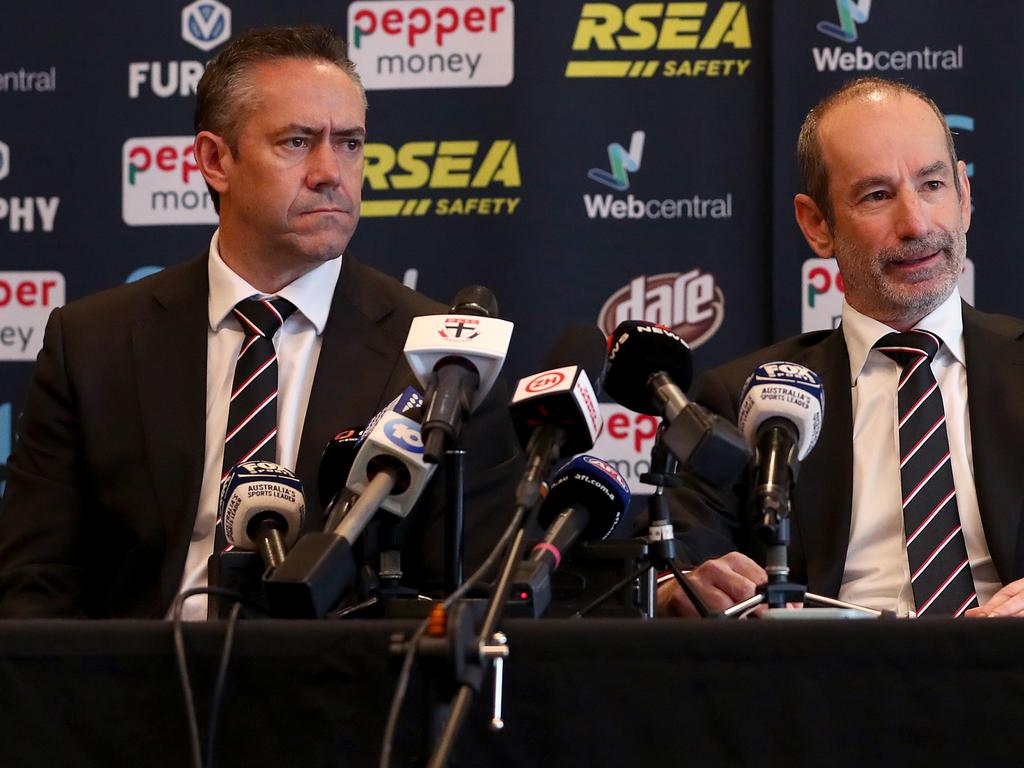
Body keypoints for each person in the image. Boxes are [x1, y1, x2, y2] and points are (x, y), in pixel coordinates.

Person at [0, 25, 520, 619]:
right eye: (297, 142)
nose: (331, 172)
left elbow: (474, 592)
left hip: (348, 691)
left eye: (349, 143)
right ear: (215, 160)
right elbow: (35, 583)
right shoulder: (94, 343)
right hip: (144, 687)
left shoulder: (443, 359)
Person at [660, 77, 1024, 618]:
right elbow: (681, 571)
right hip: (830, 684)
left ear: (965, 197)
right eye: (877, 195)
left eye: (932, 185)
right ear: (817, 224)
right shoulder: (746, 398)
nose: (916, 223)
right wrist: (682, 587)